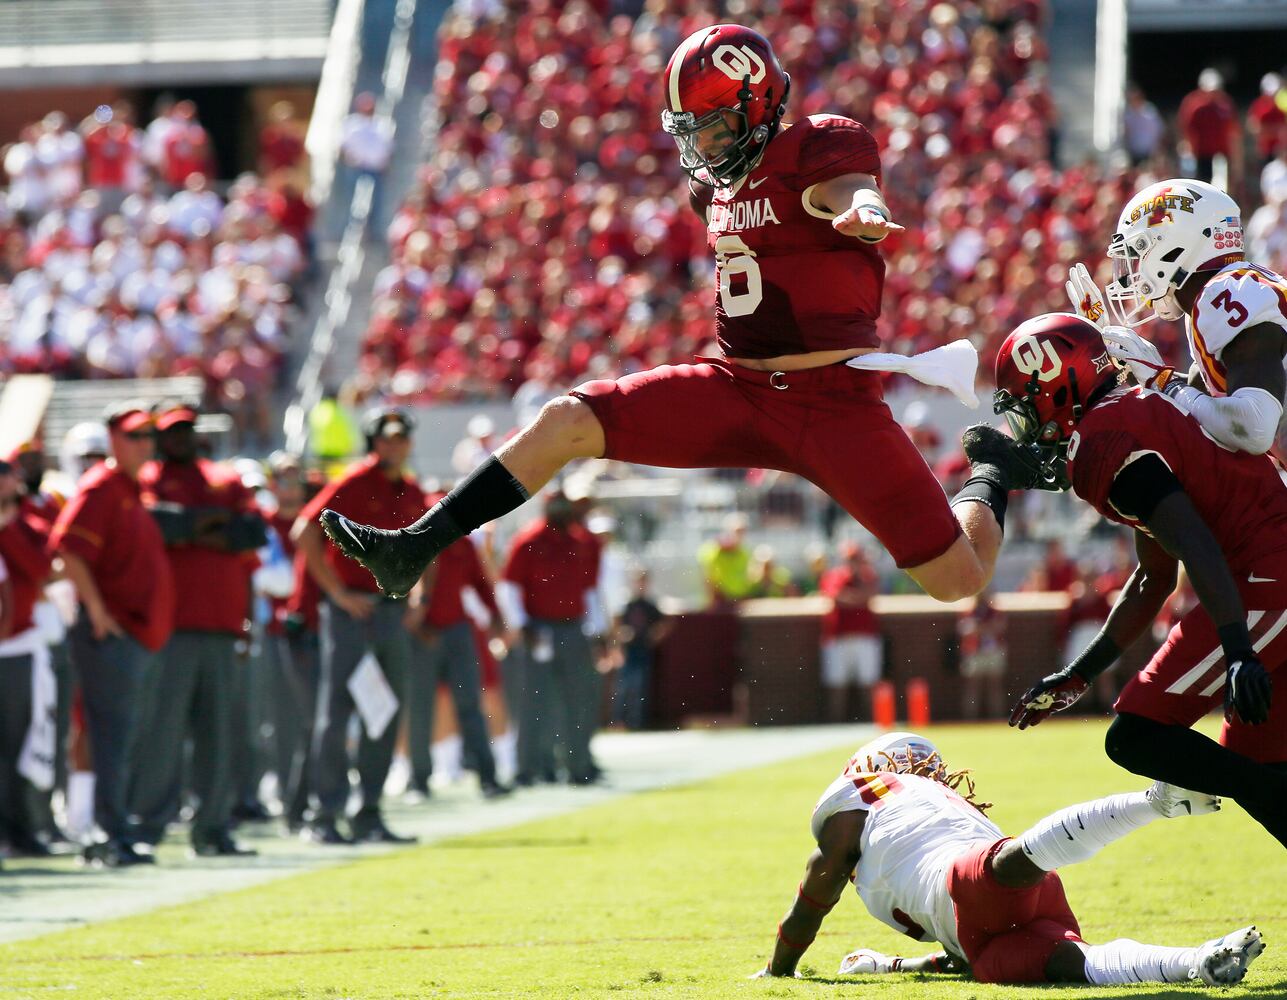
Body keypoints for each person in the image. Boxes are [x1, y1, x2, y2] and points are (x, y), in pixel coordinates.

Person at [317, 23, 1050, 610]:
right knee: (566, 420)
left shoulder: (816, 148)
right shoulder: (716, 188)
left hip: (835, 407)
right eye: (691, 130)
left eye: (715, 126)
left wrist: (865, 211)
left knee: (956, 580)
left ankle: (991, 471)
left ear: (759, 104)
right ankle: (414, 546)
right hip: (736, 391)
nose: (702, 146)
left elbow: (850, 193)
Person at [990, 313, 1287, 849]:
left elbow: (1193, 542)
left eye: (1026, 403)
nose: (1027, 425)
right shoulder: (1136, 409)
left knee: (1137, 737)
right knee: (1256, 757)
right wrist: (1080, 673)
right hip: (1270, 562)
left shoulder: (1106, 438)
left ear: (1060, 383)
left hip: (1269, 571)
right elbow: (1155, 576)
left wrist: (1239, 650)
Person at [756, 732, 1263, 986]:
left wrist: (780, 969)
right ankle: (1197, 961)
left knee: (1009, 865)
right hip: (980, 939)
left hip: (965, 879)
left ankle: (1155, 802)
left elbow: (814, 894)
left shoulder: (869, 792)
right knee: (1073, 965)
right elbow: (950, 949)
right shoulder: (942, 805)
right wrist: (892, 964)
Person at [1067, 178, 1286, 460]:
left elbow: (1252, 427)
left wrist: (1162, 379)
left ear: (1173, 248)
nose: (1131, 272)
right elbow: (1191, 404)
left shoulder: (1224, 295)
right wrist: (1106, 348)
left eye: (1139, 253)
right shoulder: (1223, 296)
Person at [129, 404, 263, 857]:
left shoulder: (221, 476)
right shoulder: (147, 478)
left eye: (186, 430)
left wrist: (187, 529)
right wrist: (205, 524)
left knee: (218, 734)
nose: (180, 438)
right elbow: (152, 526)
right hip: (170, 626)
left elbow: (250, 532)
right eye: (172, 432)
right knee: (162, 731)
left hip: (222, 624)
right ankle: (147, 826)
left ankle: (212, 828)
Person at [48, 402, 174, 866]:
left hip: (136, 634)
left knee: (123, 736)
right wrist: (97, 611)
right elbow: (69, 549)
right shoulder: (101, 486)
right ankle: (105, 834)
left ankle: (116, 829)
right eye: (135, 436)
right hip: (112, 635)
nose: (145, 445)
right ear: (114, 440)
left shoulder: (130, 488)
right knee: (109, 736)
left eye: (149, 437)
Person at [293, 406, 423, 844]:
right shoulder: (352, 481)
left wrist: (416, 594)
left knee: (384, 711)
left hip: (389, 611)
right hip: (352, 613)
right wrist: (336, 593)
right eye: (386, 438)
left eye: (401, 438)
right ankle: (324, 814)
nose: (394, 445)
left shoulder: (412, 489)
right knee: (337, 712)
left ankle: (368, 811)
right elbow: (305, 531)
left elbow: (428, 546)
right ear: (373, 441)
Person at [496, 489, 605, 786]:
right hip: (539, 629)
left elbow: (590, 590)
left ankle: (577, 765)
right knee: (533, 701)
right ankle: (527, 768)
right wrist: (521, 625)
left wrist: (598, 629)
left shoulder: (581, 542)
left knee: (577, 699)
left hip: (573, 627)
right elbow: (509, 587)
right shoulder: (529, 540)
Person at [403, 519, 510, 800]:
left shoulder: (461, 543)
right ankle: (418, 781)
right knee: (420, 709)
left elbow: (480, 582)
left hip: (457, 630)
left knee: (470, 704)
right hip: (422, 634)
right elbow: (398, 587)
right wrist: (416, 625)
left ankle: (488, 777)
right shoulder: (410, 541)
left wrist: (496, 614)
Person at [818, 541, 882, 723]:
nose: (853, 563)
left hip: (865, 637)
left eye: (856, 559)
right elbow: (836, 597)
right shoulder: (834, 575)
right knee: (836, 684)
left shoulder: (868, 575)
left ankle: (872, 722)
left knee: (869, 683)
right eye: (850, 559)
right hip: (839, 637)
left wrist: (853, 597)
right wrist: (858, 598)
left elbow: (871, 594)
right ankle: (835, 722)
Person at [612, 569, 668, 731]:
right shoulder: (627, 604)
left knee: (640, 687)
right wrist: (621, 637)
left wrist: (654, 636)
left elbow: (665, 624)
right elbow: (616, 624)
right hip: (628, 651)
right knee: (623, 687)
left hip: (643, 650)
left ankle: (637, 722)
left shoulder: (650, 605)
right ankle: (619, 722)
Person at [1177, 69, 1240, 186]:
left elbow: (1233, 132)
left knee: (1223, 184)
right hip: (1201, 154)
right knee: (1202, 185)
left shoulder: (1225, 105)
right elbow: (1186, 131)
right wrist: (1190, 153)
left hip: (1222, 154)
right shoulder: (1193, 105)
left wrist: (1236, 158)